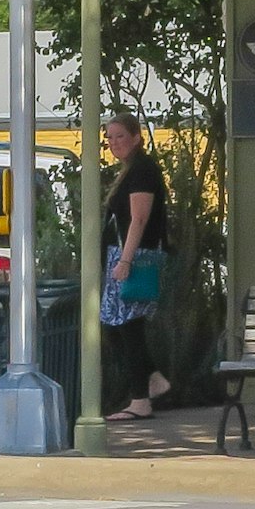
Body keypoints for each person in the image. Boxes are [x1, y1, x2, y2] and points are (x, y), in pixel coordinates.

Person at [97, 112, 172, 423]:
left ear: (137, 138)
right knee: (123, 327)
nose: (115, 143)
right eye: (110, 138)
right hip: (124, 255)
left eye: (121, 137)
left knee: (124, 327)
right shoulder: (133, 169)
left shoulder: (141, 171)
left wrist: (125, 260)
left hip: (133, 258)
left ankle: (141, 399)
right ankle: (152, 380)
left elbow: (138, 219)